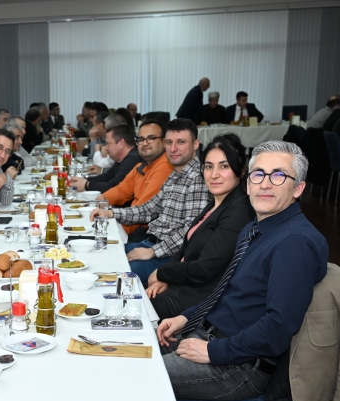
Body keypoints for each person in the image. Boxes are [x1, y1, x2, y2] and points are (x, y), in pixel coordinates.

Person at [156, 141, 328, 400]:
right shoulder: (253, 230)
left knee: (133, 376)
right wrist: (185, 317)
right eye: (258, 174)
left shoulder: (295, 243)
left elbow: (278, 328)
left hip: (239, 365)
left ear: (298, 189)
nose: (265, 184)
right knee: (124, 352)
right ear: (248, 185)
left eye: (279, 175)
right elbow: (226, 291)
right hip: (210, 336)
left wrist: (213, 351)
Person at [145, 135, 255, 318]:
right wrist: (165, 278)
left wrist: (162, 272)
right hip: (183, 284)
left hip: (198, 300)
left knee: (130, 306)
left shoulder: (239, 211)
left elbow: (205, 269)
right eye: (209, 166)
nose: (214, 174)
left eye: (224, 166)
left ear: (241, 171)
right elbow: (185, 249)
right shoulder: (216, 203)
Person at [90, 119, 209, 284]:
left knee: (110, 272)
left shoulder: (198, 179)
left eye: (181, 142)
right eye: (169, 142)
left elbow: (191, 233)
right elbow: (148, 209)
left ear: (195, 144)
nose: (173, 149)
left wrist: (152, 252)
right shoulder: (175, 174)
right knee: (99, 253)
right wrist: (110, 213)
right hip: (152, 244)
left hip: (171, 256)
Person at [95, 119, 174, 236]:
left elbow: (142, 211)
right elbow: (121, 190)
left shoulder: (165, 166)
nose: (145, 143)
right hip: (133, 222)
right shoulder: (142, 165)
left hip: (149, 232)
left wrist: (118, 233)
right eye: (141, 139)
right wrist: (102, 200)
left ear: (164, 142)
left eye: (151, 138)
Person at [71, 123, 141, 193]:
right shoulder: (122, 158)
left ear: (121, 143)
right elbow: (107, 177)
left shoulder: (132, 159)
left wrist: (87, 185)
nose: (106, 148)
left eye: (108, 144)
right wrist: (83, 181)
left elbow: (114, 186)